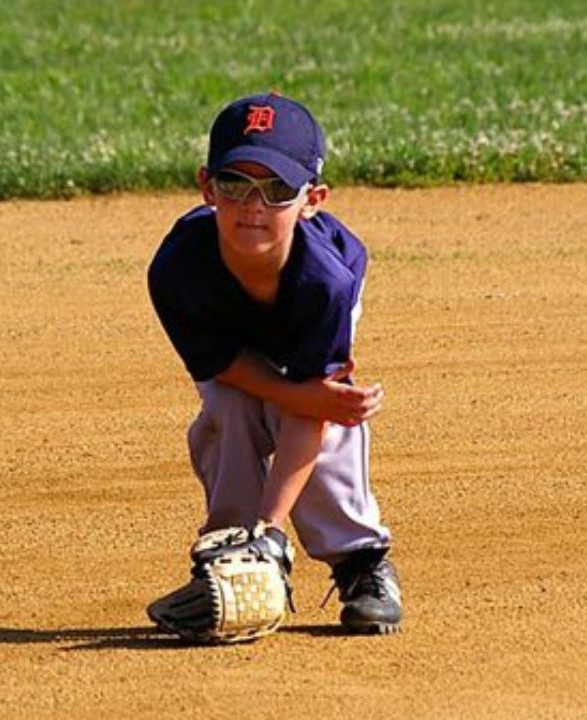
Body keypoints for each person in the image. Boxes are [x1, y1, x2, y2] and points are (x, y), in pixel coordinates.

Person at [145, 92, 403, 635]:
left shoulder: (325, 282)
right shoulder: (177, 269)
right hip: (232, 361)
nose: (253, 205)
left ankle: (362, 562)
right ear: (207, 187)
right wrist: (295, 396)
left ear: (313, 199)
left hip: (306, 314)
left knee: (330, 416)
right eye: (236, 183)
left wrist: (275, 527)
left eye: (278, 189)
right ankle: (226, 554)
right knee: (229, 410)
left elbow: (311, 408)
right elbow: (224, 369)